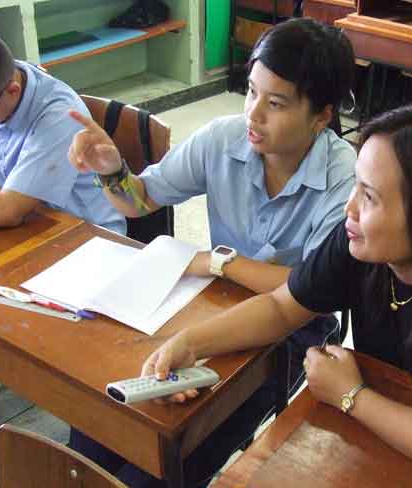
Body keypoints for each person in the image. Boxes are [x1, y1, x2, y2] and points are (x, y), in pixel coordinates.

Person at [144, 105, 412, 487]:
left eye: (370, 197)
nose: (349, 208)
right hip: (390, 437)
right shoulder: (357, 243)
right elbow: (281, 307)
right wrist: (191, 343)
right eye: (355, 185)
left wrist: (351, 395)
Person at [67, 17, 356, 487]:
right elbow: (141, 199)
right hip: (209, 301)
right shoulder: (224, 139)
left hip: (292, 334)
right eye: (251, 92)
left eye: (276, 103)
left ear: (322, 116)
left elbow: (310, 292)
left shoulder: (345, 180)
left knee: (180, 449)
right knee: (98, 420)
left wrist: (218, 261)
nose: (253, 114)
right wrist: (111, 170)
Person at [0, 24, 125, 234]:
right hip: (28, 221)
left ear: (12, 91)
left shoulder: (59, 117)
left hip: (87, 234)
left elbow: (9, 209)